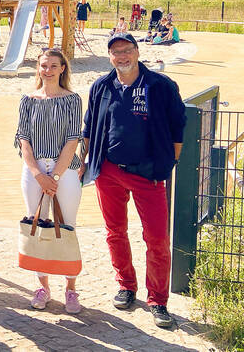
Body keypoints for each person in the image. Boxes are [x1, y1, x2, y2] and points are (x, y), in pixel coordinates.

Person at [79, 32, 186, 328]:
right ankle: (126, 285)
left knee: (157, 239)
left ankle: (158, 300)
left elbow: (178, 128)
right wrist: (86, 161)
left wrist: (170, 162)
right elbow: (89, 128)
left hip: (148, 174)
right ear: (110, 57)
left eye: (127, 50)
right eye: (116, 52)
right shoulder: (101, 86)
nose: (122, 56)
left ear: (137, 52)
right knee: (115, 231)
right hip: (109, 172)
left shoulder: (160, 86)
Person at [15, 50, 83, 314]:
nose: (48, 70)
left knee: (67, 226)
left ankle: (71, 288)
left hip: (63, 172)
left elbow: (72, 140)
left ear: (63, 68)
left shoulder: (73, 100)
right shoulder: (27, 100)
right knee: (38, 226)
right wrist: (39, 175)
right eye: (44, 65)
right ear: (38, 68)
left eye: (54, 65)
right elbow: (23, 139)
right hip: (34, 173)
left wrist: (53, 177)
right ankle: (42, 285)